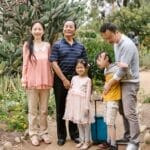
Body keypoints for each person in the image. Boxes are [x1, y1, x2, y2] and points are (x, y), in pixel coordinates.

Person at [100, 22, 140, 150]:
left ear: (116, 32)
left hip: (130, 82)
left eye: (109, 37)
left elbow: (122, 70)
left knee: (130, 112)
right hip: (121, 82)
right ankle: (128, 136)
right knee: (123, 111)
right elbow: (119, 65)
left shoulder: (127, 45)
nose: (108, 41)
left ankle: (135, 141)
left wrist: (109, 83)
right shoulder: (116, 44)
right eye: (105, 39)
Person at [49, 20, 87, 146]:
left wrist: (81, 80)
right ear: (63, 29)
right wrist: (64, 79)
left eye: (71, 27)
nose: (68, 28)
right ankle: (61, 136)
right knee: (60, 109)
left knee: (74, 107)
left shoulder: (80, 46)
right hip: (60, 81)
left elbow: (85, 63)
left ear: (75, 29)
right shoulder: (57, 45)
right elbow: (53, 63)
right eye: (66, 26)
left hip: (76, 81)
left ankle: (75, 134)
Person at [21, 20, 53, 146]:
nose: (37, 31)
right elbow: (25, 63)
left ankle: (43, 132)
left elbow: (50, 63)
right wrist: (24, 78)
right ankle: (33, 133)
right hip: (32, 81)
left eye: (40, 29)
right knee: (33, 110)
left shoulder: (47, 45)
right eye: (35, 29)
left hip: (45, 80)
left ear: (43, 31)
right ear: (31, 31)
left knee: (44, 110)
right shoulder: (27, 45)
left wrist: (52, 77)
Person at [63, 59, 94, 150]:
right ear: (75, 68)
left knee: (85, 123)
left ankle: (87, 141)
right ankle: (81, 140)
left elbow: (88, 94)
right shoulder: (74, 78)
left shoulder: (88, 80)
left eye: (81, 67)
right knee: (78, 122)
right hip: (75, 103)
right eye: (78, 67)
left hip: (83, 103)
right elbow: (70, 90)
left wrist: (87, 106)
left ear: (86, 68)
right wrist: (68, 100)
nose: (80, 69)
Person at [96, 51, 121, 150]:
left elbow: (121, 74)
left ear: (106, 58)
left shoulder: (116, 68)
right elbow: (107, 83)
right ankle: (109, 141)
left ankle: (114, 145)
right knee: (107, 122)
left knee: (110, 123)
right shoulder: (106, 70)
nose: (97, 62)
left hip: (113, 99)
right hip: (107, 98)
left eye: (99, 59)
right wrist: (103, 94)